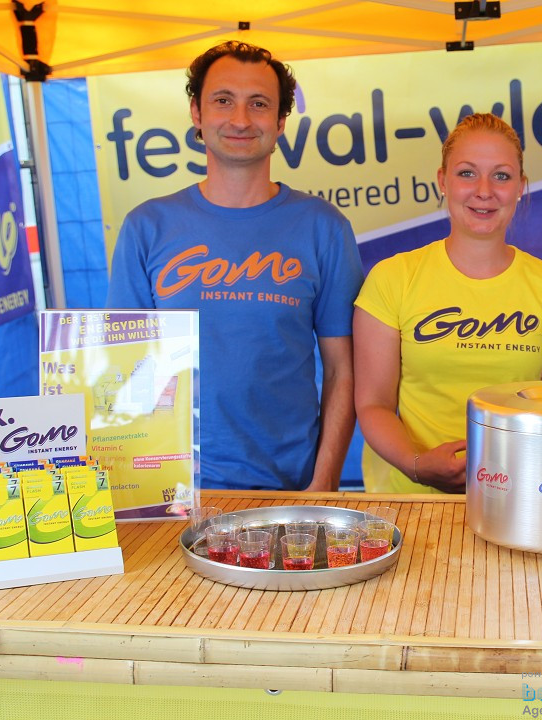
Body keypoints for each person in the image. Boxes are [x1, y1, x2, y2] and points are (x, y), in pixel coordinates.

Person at [106, 41, 364, 492]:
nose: (241, 119)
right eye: (223, 101)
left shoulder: (324, 228)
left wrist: (321, 487)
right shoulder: (146, 227)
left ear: (281, 121)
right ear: (197, 113)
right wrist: (135, 491)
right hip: (175, 492)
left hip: (291, 491)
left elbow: (344, 371)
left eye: (258, 104)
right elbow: (125, 370)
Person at [354, 113, 542, 494]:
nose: (484, 190)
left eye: (501, 175)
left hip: (522, 498)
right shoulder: (393, 278)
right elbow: (373, 404)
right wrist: (418, 466)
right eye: (467, 173)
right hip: (411, 502)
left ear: (521, 187)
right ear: (442, 181)